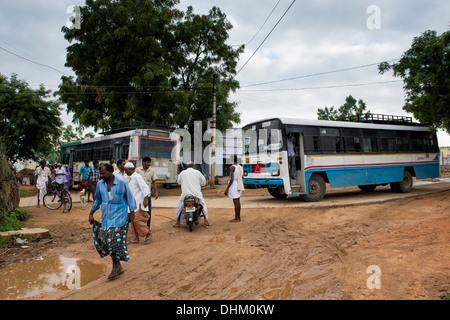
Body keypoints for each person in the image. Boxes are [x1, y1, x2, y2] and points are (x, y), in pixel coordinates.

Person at [89, 163, 137, 280]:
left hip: (119, 216)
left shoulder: (121, 183)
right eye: (100, 173)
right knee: (107, 242)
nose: (101, 176)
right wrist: (91, 213)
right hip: (106, 217)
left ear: (111, 172)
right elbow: (98, 200)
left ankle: (115, 268)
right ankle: (117, 266)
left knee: (113, 240)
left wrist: (132, 212)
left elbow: (130, 197)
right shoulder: (100, 185)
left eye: (103, 173)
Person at [174, 162, 209, 227]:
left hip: (185, 196)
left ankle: (178, 222)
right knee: (203, 206)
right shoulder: (198, 172)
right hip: (197, 195)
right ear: (193, 166)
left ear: (186, 166)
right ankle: (206, 220)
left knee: (179, 207)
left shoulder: (182, 173)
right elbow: (203, 182)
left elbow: (178, 182)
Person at [125, 162, 152, 244]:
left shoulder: (137, 176)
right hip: (132, 204)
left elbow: (145, 188)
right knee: (133, 221)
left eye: (126, 170)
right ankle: (136, 238)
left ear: (130, 169)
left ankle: (148, 233)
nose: (125, 172)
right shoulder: (129, 178)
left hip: (138, 203)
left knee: (137, 220)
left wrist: (145, 200)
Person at [135, 157, 158, 231]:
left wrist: (156, 192)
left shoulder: (152, 171)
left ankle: (147, 227)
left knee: (148, 211)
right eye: (147, 162)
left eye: (149, 162)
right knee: (138, 211)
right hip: (138, 194)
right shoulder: (137, 170)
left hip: (147, 194)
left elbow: (154, 181)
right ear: (143, 163)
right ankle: (139, 227)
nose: (149, 164)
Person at [224, 155, 244, 222]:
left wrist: (227, 188)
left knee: (235, 202)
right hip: (238, 184)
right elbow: (242, 177)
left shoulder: (232, 167)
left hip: (234, 185)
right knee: (238, 201)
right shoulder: (239, 167)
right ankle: (238, 217)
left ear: (231, 160)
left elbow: (231, 179)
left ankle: (236, 218)